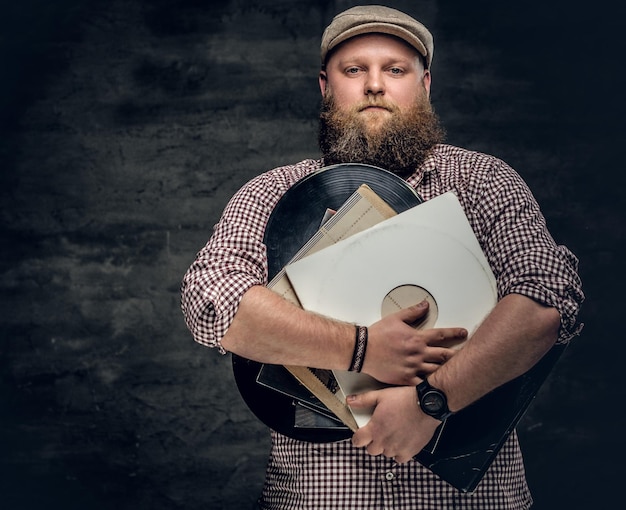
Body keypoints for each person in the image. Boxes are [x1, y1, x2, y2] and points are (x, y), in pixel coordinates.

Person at [181, 5, 583, 509]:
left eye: (395, 69)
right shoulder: (272, 194)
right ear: (326, 87)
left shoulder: (482, 182)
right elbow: (212, 301)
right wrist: (362, 348)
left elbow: (545, 299)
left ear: (425, 84)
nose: (375, 85)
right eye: (355, 70)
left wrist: (429, 402)